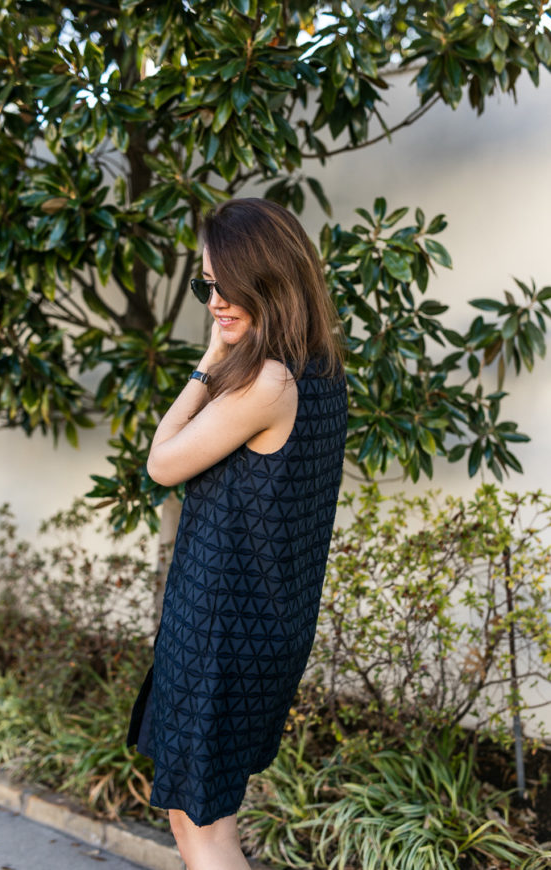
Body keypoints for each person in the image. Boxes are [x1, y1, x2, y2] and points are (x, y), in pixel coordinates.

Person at [126, 197, 347, 870]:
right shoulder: (320, 371)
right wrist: (219, 354)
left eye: (226, 284)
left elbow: (162, 461)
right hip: (251, 627)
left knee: (207, 828)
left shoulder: (269, 383)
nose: (216, 300)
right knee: (195, 816)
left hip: (223, 633)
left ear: (270, 280)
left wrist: (205, 363)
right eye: (207, 284)